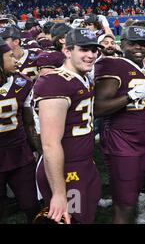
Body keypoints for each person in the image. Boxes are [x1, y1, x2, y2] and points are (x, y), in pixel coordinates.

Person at [33, 28, 104, 223]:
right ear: (67, 51)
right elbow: (50, 144)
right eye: (84, 50)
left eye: (93, 50)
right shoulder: (54, 82)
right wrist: (58, 192)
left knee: (86, 217)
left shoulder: (82, 76)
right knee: (72, 218)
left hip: (85, 163)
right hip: (66, 170)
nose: (90, 55)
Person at [94, 26, 145, 223]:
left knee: (134, 192)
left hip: (141, 139)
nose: (138, 48)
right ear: (121, 44)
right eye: (132, 44)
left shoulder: (143, 66)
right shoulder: (112, 64)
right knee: (125, 202)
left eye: (142, 44)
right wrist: (131, 96)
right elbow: (98, 108)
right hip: (121, 140)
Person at [0, 37, 40, 223]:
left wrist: (40, 152)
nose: (16, 60)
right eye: (10, 56)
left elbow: (29, 123)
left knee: (32, 205)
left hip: (19, 153)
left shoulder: (22, 82)